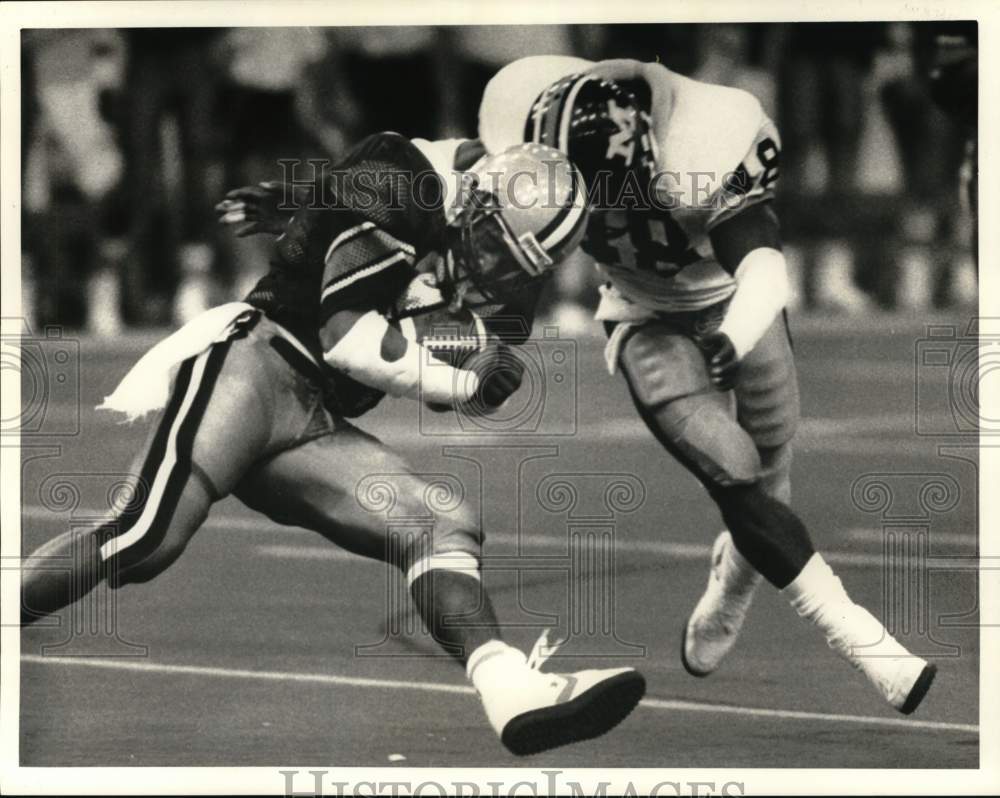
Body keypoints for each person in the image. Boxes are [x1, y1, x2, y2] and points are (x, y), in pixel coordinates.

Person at [20, 133, 645, 756]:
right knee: (144, 538)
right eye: (496, 250)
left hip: (318, 417)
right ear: (477, 205)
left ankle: (511, 689)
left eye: (521, 267)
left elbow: (435, 358)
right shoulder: (403, 182)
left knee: (441, 523)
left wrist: (470, 362)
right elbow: (351, 338)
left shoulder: (483, 243)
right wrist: (464, 377)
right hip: (255, 371)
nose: (501, 274)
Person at [474, 55, 936, 714]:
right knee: (736, 470)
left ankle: (732, 584)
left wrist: (732, 335)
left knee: (773, 470)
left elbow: (763, 267)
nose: (589, 211)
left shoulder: (712, 141)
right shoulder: (519, 127)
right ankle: (864, 638)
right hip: (641, 313)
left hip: (730, 302)